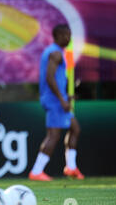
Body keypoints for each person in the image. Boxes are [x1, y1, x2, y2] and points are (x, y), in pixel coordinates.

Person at [29, 24, 84, 181]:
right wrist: (62, 99)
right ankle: (36, 171)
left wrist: (66, 96)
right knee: (53, 135)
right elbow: (49, 78)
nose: (69, 38)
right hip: (55, 101)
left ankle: (71, 168)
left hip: (58, 98)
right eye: (66, 35)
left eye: (70, 34)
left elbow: (56, 79)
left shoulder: (57, 52)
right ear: (57, 36)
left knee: (75, 128)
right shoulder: (55, 53)